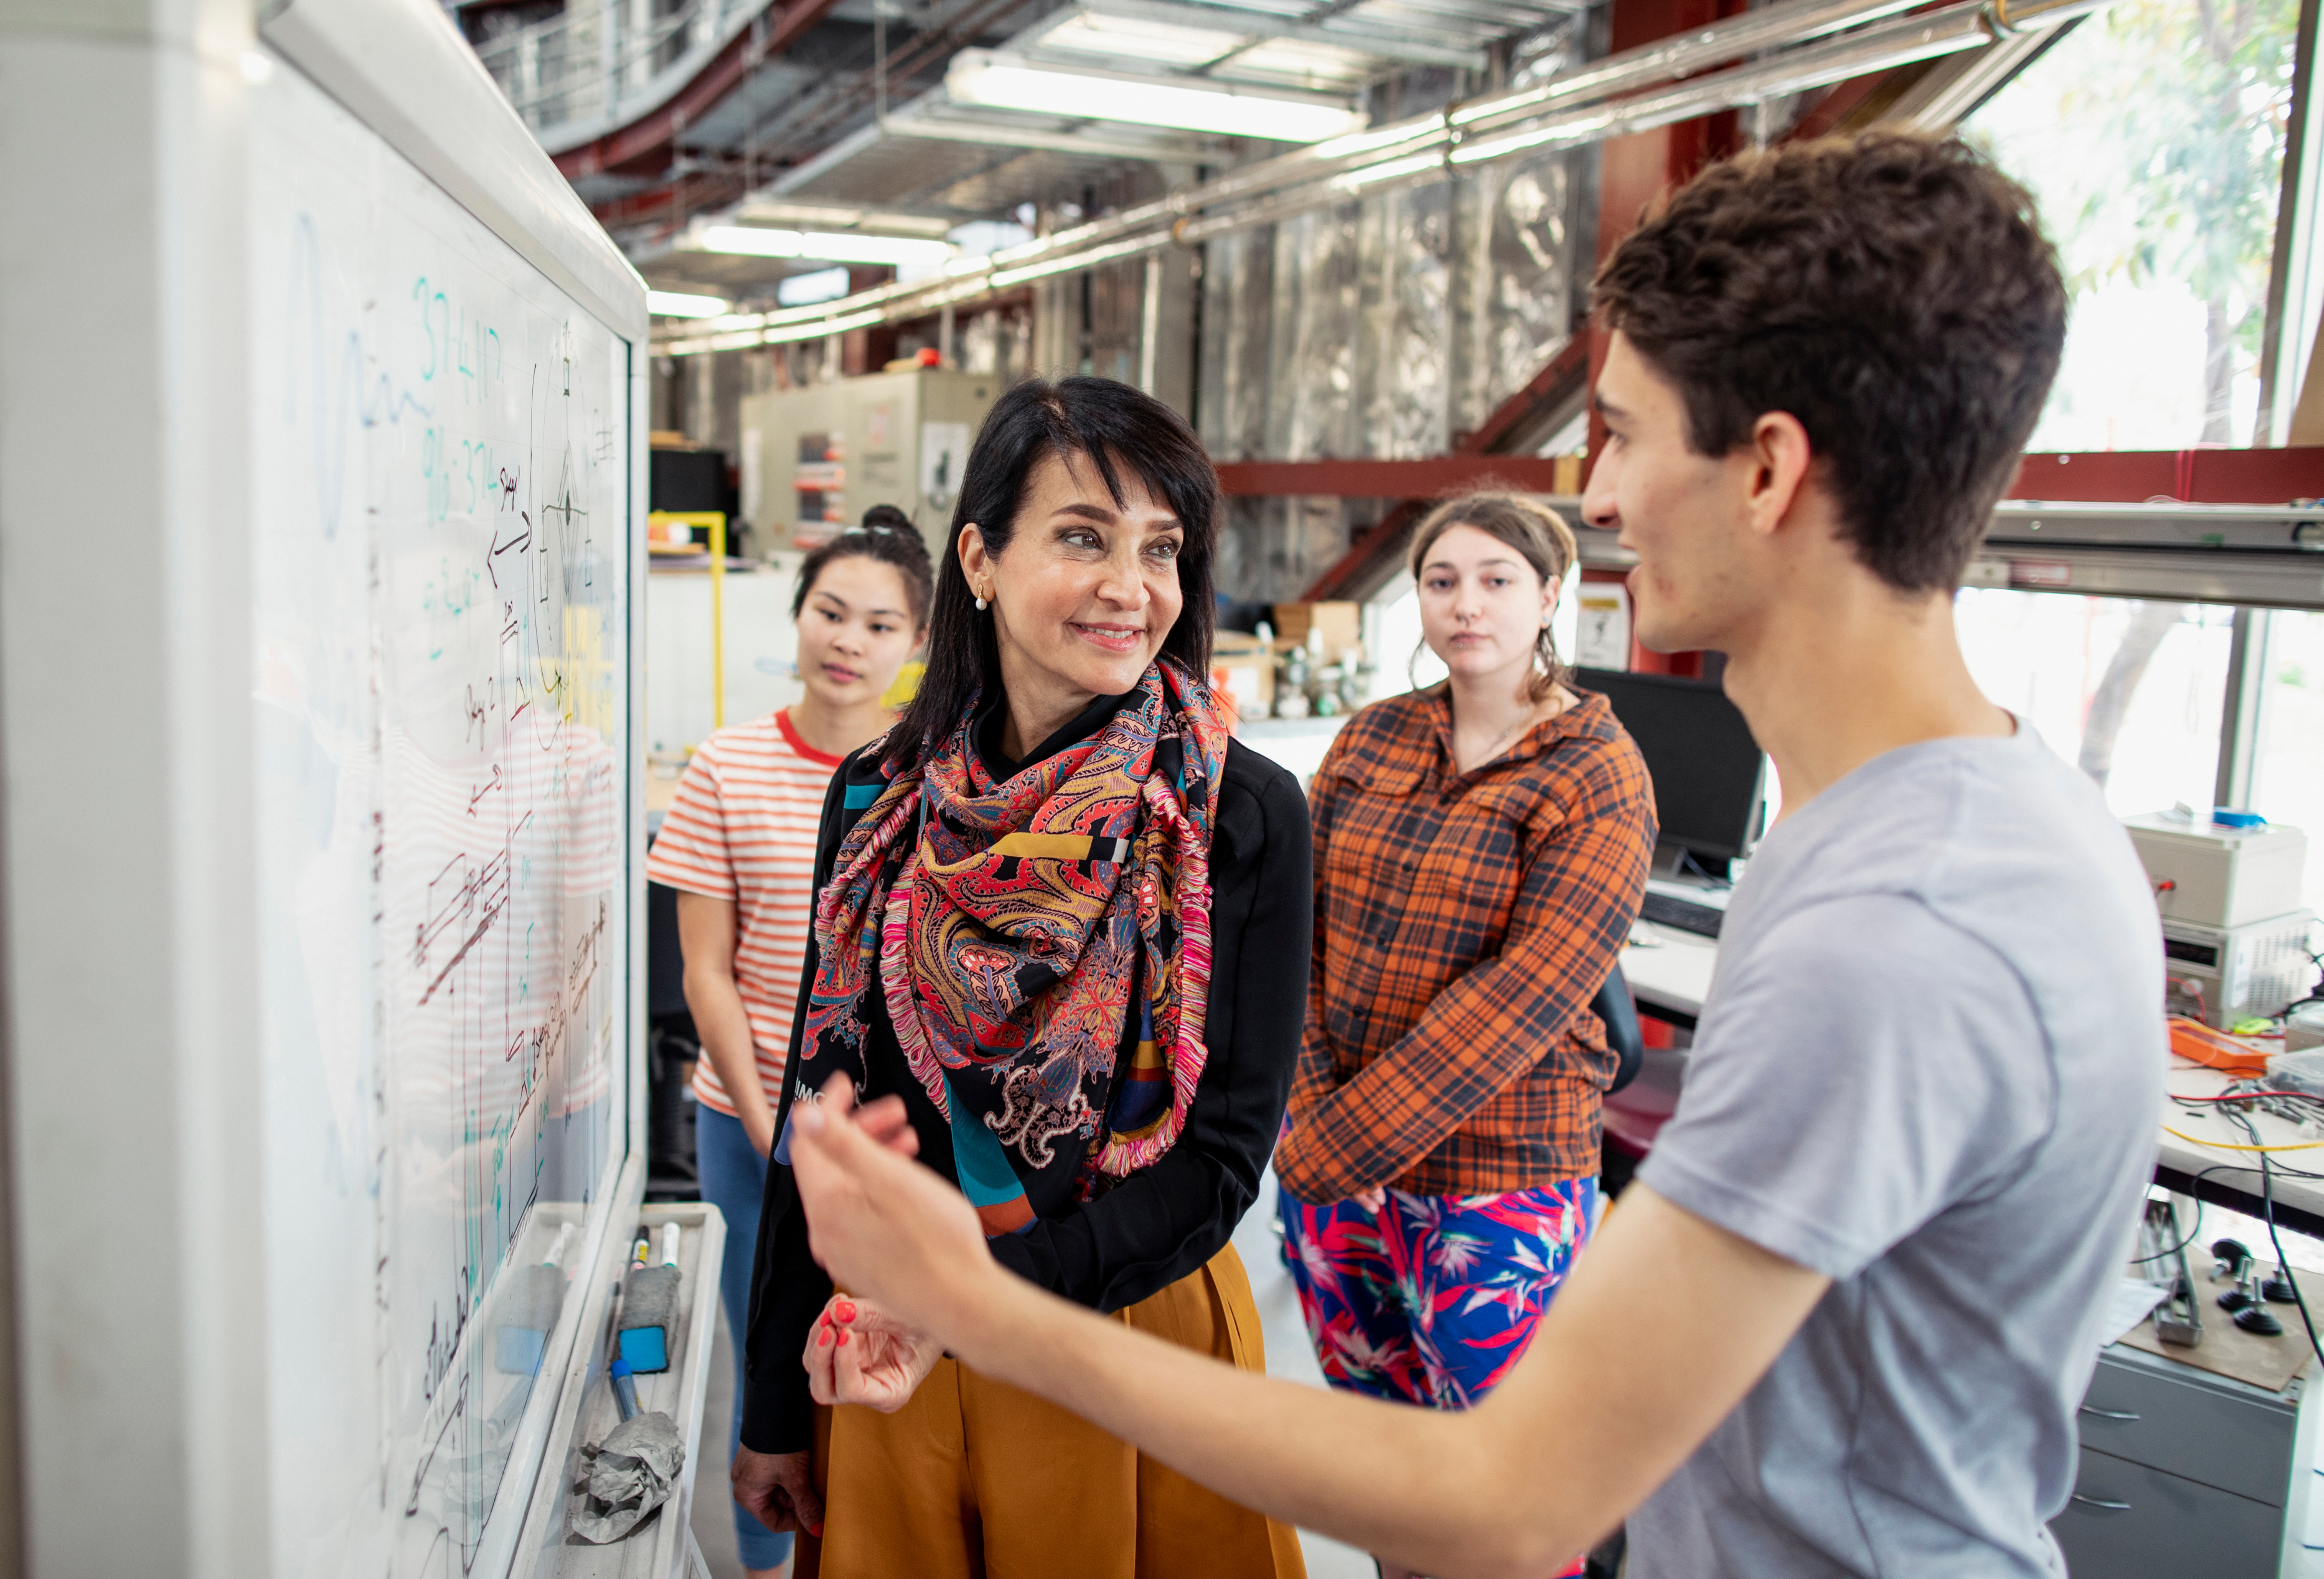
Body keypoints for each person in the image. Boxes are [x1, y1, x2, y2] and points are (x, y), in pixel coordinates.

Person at [774, 132, 2166, 1579]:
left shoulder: (1895, 925)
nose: (1601, 499)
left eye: (1621, 433)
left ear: (1764, 470)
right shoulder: (1955, 833)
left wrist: (982, 1305)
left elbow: (1512, 1498)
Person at [731, 376, 1312, 1579]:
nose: (1131, 587)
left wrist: (969, 1303)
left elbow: (1219, 1167)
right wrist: (774, 1404)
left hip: (1117, 1337)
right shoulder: (880, 802)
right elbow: (820, 1118)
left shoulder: (1237, 812)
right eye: (1083, 537)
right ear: (980, 560)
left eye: (1162, 549)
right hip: (887, 1350)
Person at [1276, 492, 1652, 1569]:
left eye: (1495, 580)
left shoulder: (1596, 770)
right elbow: (1296, 927)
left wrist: (1316, 1150)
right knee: (1387, 1467)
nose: (1465, 604)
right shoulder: (1374, 736)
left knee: (1508, 1493)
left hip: (1498, 1180)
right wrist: (1307, 1108)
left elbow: (1521, 1002)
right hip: (1335, 1169)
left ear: (1547, 597)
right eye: (1442, 581)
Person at [645, 505, 931, 1579]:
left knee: (882, 1363)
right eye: (831, 613)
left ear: (916, 648)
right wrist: (772, 1130)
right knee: (767, 1361)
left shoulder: (932, 778)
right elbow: (703, 973)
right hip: (747, 1122)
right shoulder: (724, 767)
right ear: (799, 618)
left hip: (893, 1143)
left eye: (880, 624)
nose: (849, 641)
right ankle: (767, 1571)